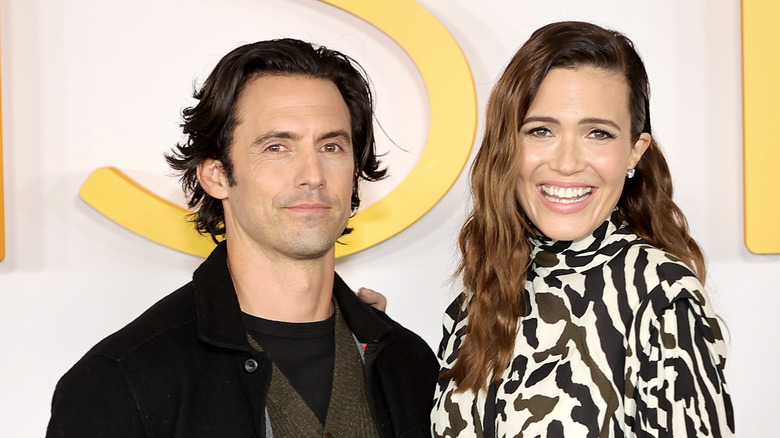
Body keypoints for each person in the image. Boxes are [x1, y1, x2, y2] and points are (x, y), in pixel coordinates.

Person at [47, 38, 438, 438]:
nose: (313, 174)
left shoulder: (408, 365)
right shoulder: (122, 381)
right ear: (217, 175)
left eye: (331, 146)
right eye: (277, 147)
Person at [430, 22, 734, 437]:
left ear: (634, 151)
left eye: (597, 133)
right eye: (541, 130)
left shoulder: (661, 296)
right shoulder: (485, 288)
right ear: (507, 145)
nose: (568, 161)